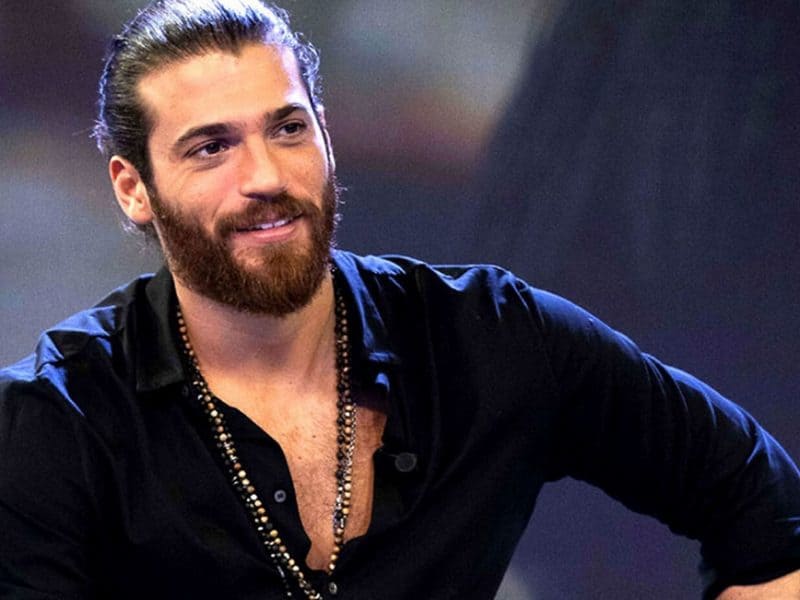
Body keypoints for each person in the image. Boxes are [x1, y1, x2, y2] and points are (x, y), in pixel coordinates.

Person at [0, 1, 798, 598]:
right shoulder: (54, 420)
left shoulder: (487, 335)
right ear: (134, 188)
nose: (266, 177)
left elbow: (762, 504)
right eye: (212, 147)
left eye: (288, 129)